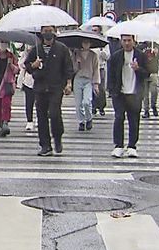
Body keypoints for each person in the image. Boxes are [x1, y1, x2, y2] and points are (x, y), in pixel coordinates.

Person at [24, 26, 75, 157]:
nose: (47, 33)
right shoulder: (35, 49)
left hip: (56, 86)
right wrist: (33, 65)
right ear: (41, 32)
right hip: (40, 87)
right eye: (45, 31)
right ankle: (45, 145)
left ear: (54, 31)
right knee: (41, 116)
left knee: (54, 113)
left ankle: (57, 137)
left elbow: (68, 67)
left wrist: (68, 83)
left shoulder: (62, 48)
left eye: (50, 30)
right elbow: (27, 66)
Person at [107, 33, 149, 158]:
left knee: (134, 120)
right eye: (124, 40)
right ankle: (118, 146)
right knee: (119, 118)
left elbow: (147, 74)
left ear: (134, 41)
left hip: (135, 93)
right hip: (120, 93)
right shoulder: (116, 56)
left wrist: (138, 69)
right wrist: (112, 90)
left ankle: (132, 146)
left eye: (129, 40)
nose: (126, 43)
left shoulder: (140, 56)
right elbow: (111, 75)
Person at [72, 44, 101, 132]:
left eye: (87, 43)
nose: (85, 44)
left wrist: (96, 83)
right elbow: (73, 69)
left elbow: (96, 69)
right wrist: (77, 62)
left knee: (87, 101)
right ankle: (81, 121)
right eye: (84, 43)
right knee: (78, 103)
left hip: (88, 79)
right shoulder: (76, 54)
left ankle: (89, 118)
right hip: (78, 79)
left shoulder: (93, 55)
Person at [142, 43, 159, 119]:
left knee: (154, 91)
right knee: (145, 94)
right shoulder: (142, 47)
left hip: (153, 73)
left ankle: (153, 105)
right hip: (144, 73)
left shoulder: (156, 46)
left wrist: (157, 54)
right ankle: (146, 110)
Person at [20, 57, 36, 132]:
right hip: (29, 81)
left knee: (41, 102)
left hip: (42, 80)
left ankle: (40, 118)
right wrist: (33, 65)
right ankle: (29, 121)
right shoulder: (29, 53)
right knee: (29, 102)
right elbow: (23, 64)